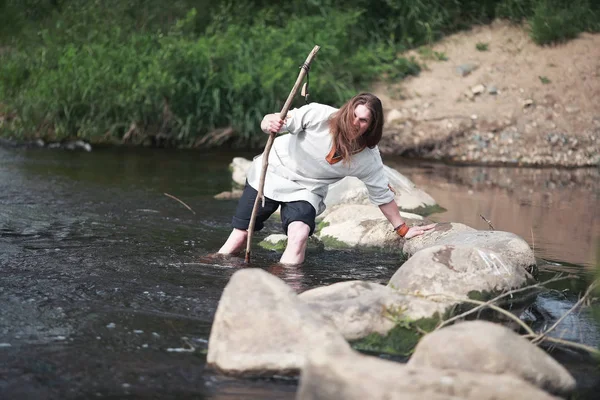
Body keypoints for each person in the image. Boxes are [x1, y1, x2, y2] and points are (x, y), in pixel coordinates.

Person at [218, 93, 435, 264]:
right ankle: (215, 265)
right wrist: (269, 123)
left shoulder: (368, 157)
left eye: (363, 121)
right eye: (353, 116)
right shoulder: (319, 115)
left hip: (307, 190)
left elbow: (382, 195)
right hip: (272, 172)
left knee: (300, 235)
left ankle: (286, 285)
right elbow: (272, 120)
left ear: (371, 126)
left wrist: (403, 230)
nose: (355, 123)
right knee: (240, 236)